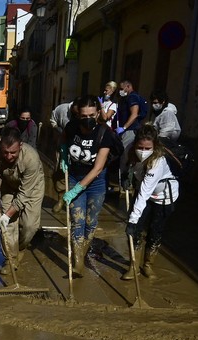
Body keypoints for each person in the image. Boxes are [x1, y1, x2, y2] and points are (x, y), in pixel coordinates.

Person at [60, 95, 117, 277]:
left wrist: (75, 191)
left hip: (96, 182)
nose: (87, 119)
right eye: (83, 116)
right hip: (75, 176)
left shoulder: (104, 133)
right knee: (77, 220)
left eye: (91, 115)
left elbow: (98, 168)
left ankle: (83, 251)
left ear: (98, 113)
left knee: (90, 222)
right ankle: (77, 263)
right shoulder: (71, 127)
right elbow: (63, 139)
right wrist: (63, 155)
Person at [0, 127, 45, 275]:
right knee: (8, 226)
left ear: (20, 146)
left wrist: (7, 214)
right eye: (5, 152)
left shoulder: (31, 159)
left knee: (29, 227)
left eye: (13, 153)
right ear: (0, 145)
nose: (9, 156)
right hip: (9, 183)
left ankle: (20, 248)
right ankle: (10, 258)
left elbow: (23, 196)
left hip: (32, 188)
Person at [122, 125, 179, 280]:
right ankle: (133, 266)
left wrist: (132, 220)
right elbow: (125, 164)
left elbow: (144, 193)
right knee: (136, 232)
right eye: (140, 147)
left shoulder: (158, 161)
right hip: (143, 189)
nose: (143, 151)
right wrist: (124, 177)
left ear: (155, 146)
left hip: (164, 197)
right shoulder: (130, 149)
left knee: (155, 230)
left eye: (148, 148)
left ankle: (147, 265)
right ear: (135, 144)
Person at [49, 98, 80, 213]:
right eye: (75, 113)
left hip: (79, 148)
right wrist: (59, 131)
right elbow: (52, 121)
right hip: (63, 145)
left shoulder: (85, 117)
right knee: (60, 174)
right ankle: (61, 199)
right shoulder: (61, 110)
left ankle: (75, 202)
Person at [117, 79, 147, 175]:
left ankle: (124, 180)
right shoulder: (128, 98)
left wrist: (124, 127)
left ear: (128, 87)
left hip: (130, 131)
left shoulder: (132, 98)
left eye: (122, 88)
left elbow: (134, 114)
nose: (120, 91)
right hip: (129, 130)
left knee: (125, 155)